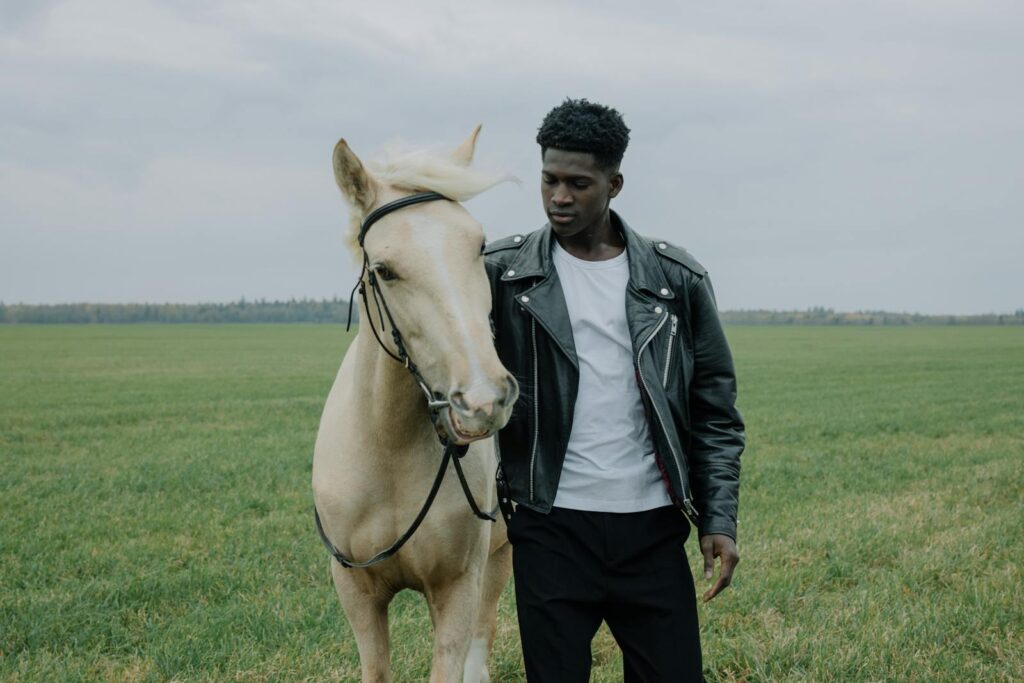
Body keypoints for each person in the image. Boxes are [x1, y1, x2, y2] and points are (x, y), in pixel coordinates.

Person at [484, 98, 745, 682]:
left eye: (578, 184)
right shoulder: (502, 274)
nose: (559, 197)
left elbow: (715, 412)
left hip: (651, 528)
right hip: (549, 527)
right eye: (549, 180)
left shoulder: (675, 280)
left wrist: (719, 519)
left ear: (614, 185)